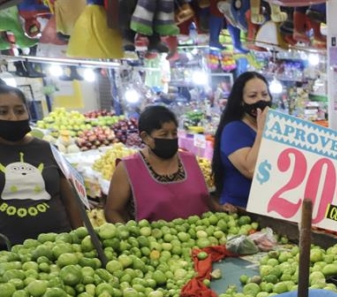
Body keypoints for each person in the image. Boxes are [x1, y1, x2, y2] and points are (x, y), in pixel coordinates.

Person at [105, 105, 234, 223]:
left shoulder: (189, 160)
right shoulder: (128, 168)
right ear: (145, 137)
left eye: (174, 133)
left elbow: (203, 198)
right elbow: (112, 211)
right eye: (164, 134)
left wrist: (221, 209)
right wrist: (128, 235)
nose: (171, 139)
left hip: (200, 239)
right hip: (154, 244)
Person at [0, 84, 82, 246]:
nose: (14, 118)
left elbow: (70, 200)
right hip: (9, 251)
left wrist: (80, 237)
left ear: (28, 111)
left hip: (61, 243)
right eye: (3, 112)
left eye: (19, 111)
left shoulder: (48, 149)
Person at [212, 72, 271, 210]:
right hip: (241, 210)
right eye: (252, 96)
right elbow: (251, 170)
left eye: (264, 94)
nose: (260, 100)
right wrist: (262, 131)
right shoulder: (233, 130)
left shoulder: (275, 127)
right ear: (241, 100)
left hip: (268, 208)